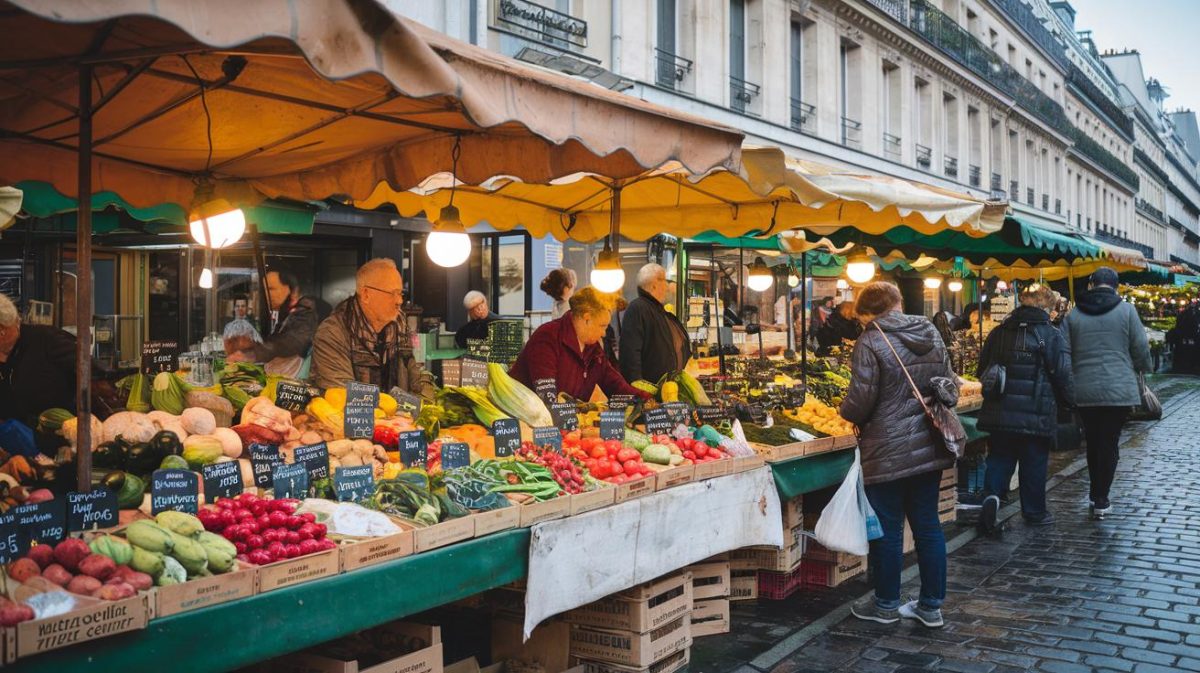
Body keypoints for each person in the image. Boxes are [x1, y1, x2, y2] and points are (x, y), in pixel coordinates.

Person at [840, 282, 956, 629]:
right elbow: (948, 382)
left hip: (888, 450)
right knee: (928, 525)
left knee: (888, 529)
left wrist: (844, 411)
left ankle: (886, 604)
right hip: (929, 445)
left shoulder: (871, 340)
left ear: (866, 313)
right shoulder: (931, 332)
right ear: (898, 303)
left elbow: (859, 404)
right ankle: (931, 605)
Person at [976, 284, 1076, 532]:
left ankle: (992, 497)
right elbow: (1062, 375)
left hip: (999, 411)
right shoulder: (1051, 335)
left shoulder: (999, 332)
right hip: (1036, 411)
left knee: (999, 457)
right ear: (1047, 307)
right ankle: (1034, 512)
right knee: (1034, 462)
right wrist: (1070, 404)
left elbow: (983, 370)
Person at [1062, 267, 1151, 519]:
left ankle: (1094, 493)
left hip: (1084, 389)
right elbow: (1140, 347)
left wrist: (1069, 381)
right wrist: (1145, 369)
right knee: (1109, 442)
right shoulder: (1127, 311)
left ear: (1091, 285)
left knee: (1093, 441)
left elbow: (1065, 352)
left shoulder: (1075, 314)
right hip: (1118, 389)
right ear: (1116, 286)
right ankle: (1102, 498)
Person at [310, 258, 435, 398]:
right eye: (392, 293)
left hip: (397, 418)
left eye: (400, 293)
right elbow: (341, 396)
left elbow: (419, 375)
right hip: (349, 418)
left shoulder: (400, 326)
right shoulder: (332, 333)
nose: (399, 301)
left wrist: (422, 403)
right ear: (366, 294)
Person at [510, 287, 650, 402]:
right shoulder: (547, 337)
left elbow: (615, 385)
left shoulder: (593, 350)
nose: (604, 334)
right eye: (602, 326)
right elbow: (547, 397)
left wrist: (648, 400)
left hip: (565, 426)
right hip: (521, 426)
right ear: (587, 319)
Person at [0, 294, 77, 427]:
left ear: (4, 329)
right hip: (9, 439)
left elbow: (89, 372)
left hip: (54, 435)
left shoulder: (47, 340)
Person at [230, 269, 320, 378]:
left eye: (272, 289)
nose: (268, 295)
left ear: (291, 289)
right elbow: (274, 340)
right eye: (265, 290)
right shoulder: (286, 311)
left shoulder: (306, 312)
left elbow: (292, 342)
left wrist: (254, 354)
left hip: (293, 383)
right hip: (277, 378)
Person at [620, 264, 691, 384]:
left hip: (668, 390)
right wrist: (639, 389)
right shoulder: (638, 308)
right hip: (651, 394)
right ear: (654, 285)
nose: (667, 286)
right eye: (664, 280)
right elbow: (630, 355)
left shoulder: (658, 310)